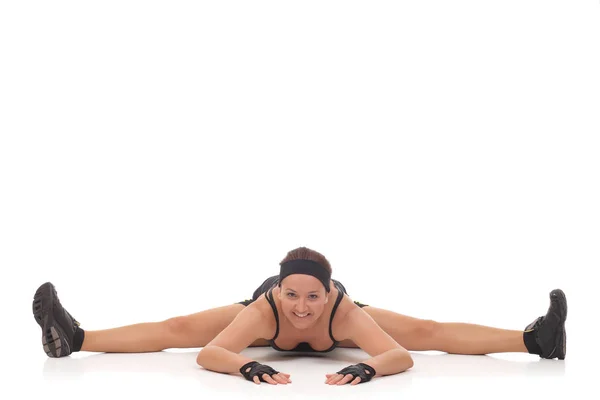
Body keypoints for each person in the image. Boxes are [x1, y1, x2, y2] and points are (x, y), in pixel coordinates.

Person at [32, 246, 567, 385]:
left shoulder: (344, 313)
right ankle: (73, 337)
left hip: (351, 320)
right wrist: (245, 366)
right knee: (175, 328)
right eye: (293, 295)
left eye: (313, 296)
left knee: (428, 330)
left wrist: (367, 367)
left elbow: (401, 353)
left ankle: (537, 341)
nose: (303, 308)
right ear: (277, 290)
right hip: (255, 321)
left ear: (330, 291)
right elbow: (206, 351)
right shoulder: (263, 313)